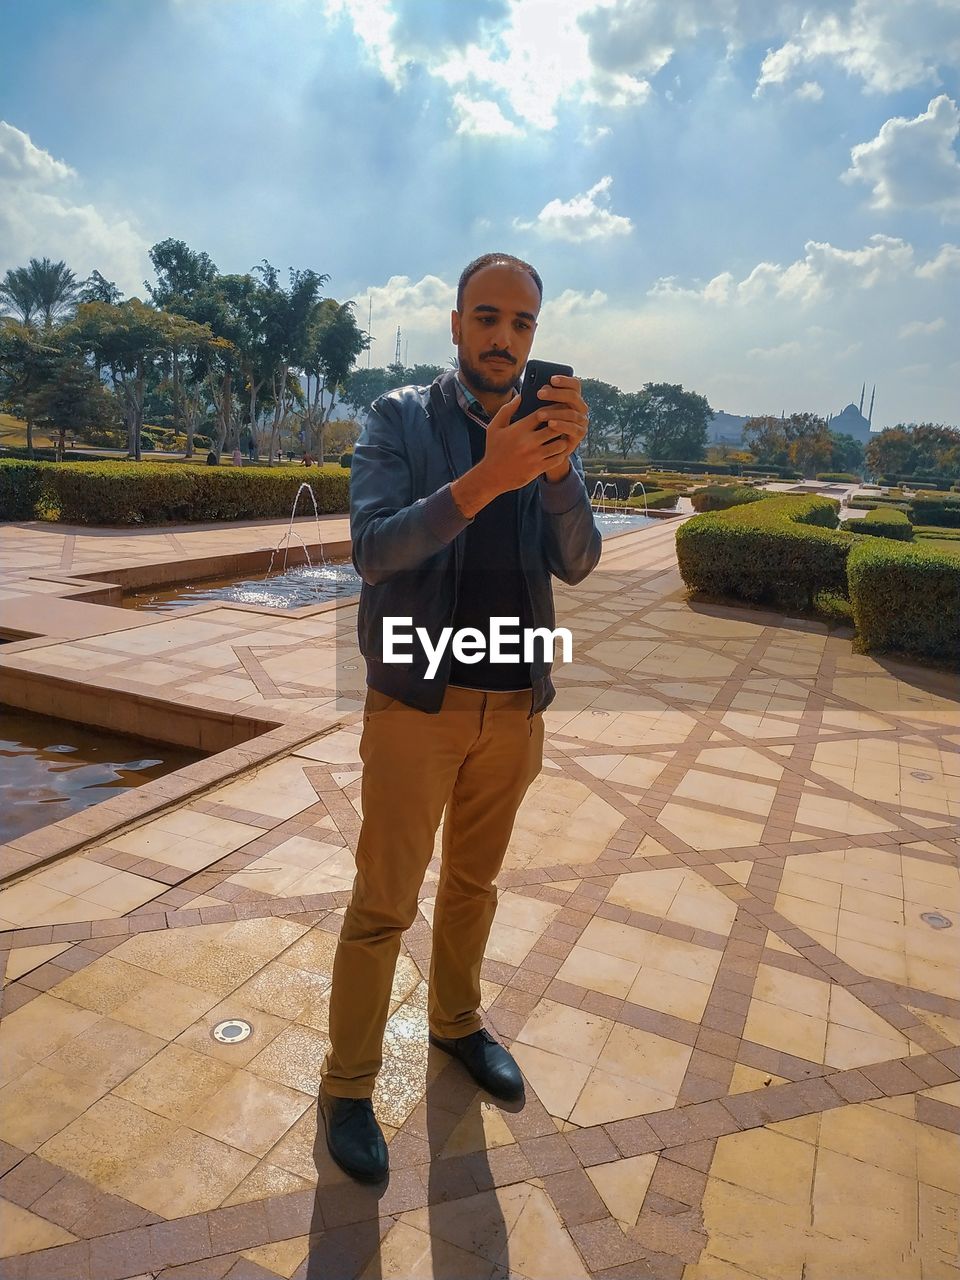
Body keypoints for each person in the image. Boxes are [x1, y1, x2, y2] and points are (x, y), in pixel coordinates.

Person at [319, 252, 602, 1182]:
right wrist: (485, 478)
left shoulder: (540, 430)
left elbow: (579, 562)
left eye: (522, 324)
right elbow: (372, 550)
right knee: (383, 904)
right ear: (454, 325)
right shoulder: (399, 418)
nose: (505, 339)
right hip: (417, 702)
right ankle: (350, 1084)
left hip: (514, 703)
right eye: (487, 318)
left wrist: (555, 473)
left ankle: (456, 1025)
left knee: (475, 888)